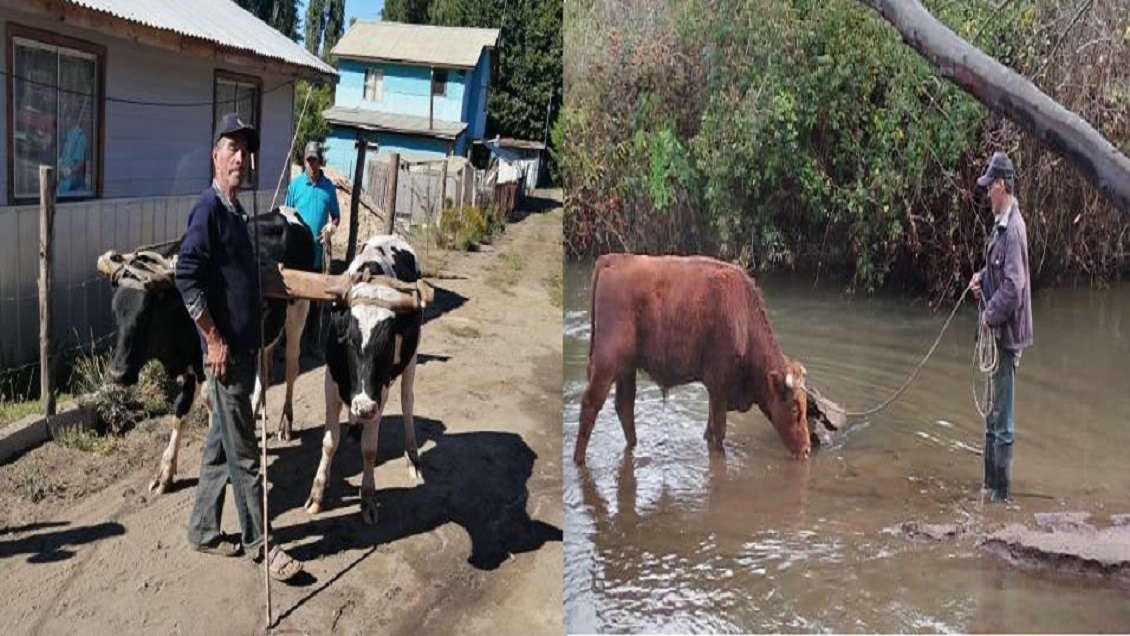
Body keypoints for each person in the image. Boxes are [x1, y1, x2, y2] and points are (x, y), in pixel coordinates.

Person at [174, 112, 303, 581]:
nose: (241, 158)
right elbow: (186, 276)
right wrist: (213, 338)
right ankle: (261, 544)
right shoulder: (208, 210)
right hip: (224, 358)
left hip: (245, 353)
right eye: (232, 148)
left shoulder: (239, 213)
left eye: (246, 150)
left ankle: (203, 529)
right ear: (215, 155)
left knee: (219, 449)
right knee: (246, 453)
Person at [968, 150, 1033, 504]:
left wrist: (988, 313)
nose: (985, 195)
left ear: (1001, 185)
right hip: (996, 333)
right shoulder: (1001, 224)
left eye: (988, 187)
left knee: (1002, 423)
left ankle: (1001, 495)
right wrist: (980, 279)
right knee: (991, 417)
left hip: (1005, 340)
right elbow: (998, 275)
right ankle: (989, 489)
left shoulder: (1014, 229)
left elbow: (1015, 286)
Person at [285, 140, 340, 351]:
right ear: (304, 161)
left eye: (314, 160)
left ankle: (312, 343)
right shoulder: (296, 185)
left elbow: (336, 216)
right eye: (308, 160)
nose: (311, 164)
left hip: (317, 253)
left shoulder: (328, 188)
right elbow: (286, 213)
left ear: (320, 161)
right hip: (297, 254)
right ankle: (289, 343)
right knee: (293, 299)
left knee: (316, 300)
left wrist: (331, 227)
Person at [58, 101, 87, 193]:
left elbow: (80, 163)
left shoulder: (80, 136)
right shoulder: (69, 133)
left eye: (67, 117)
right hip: (63, 182)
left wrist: (69, 171)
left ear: (73, 118)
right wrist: (60, 162)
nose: (65, 120)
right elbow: (66, 155)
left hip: (74, 185)